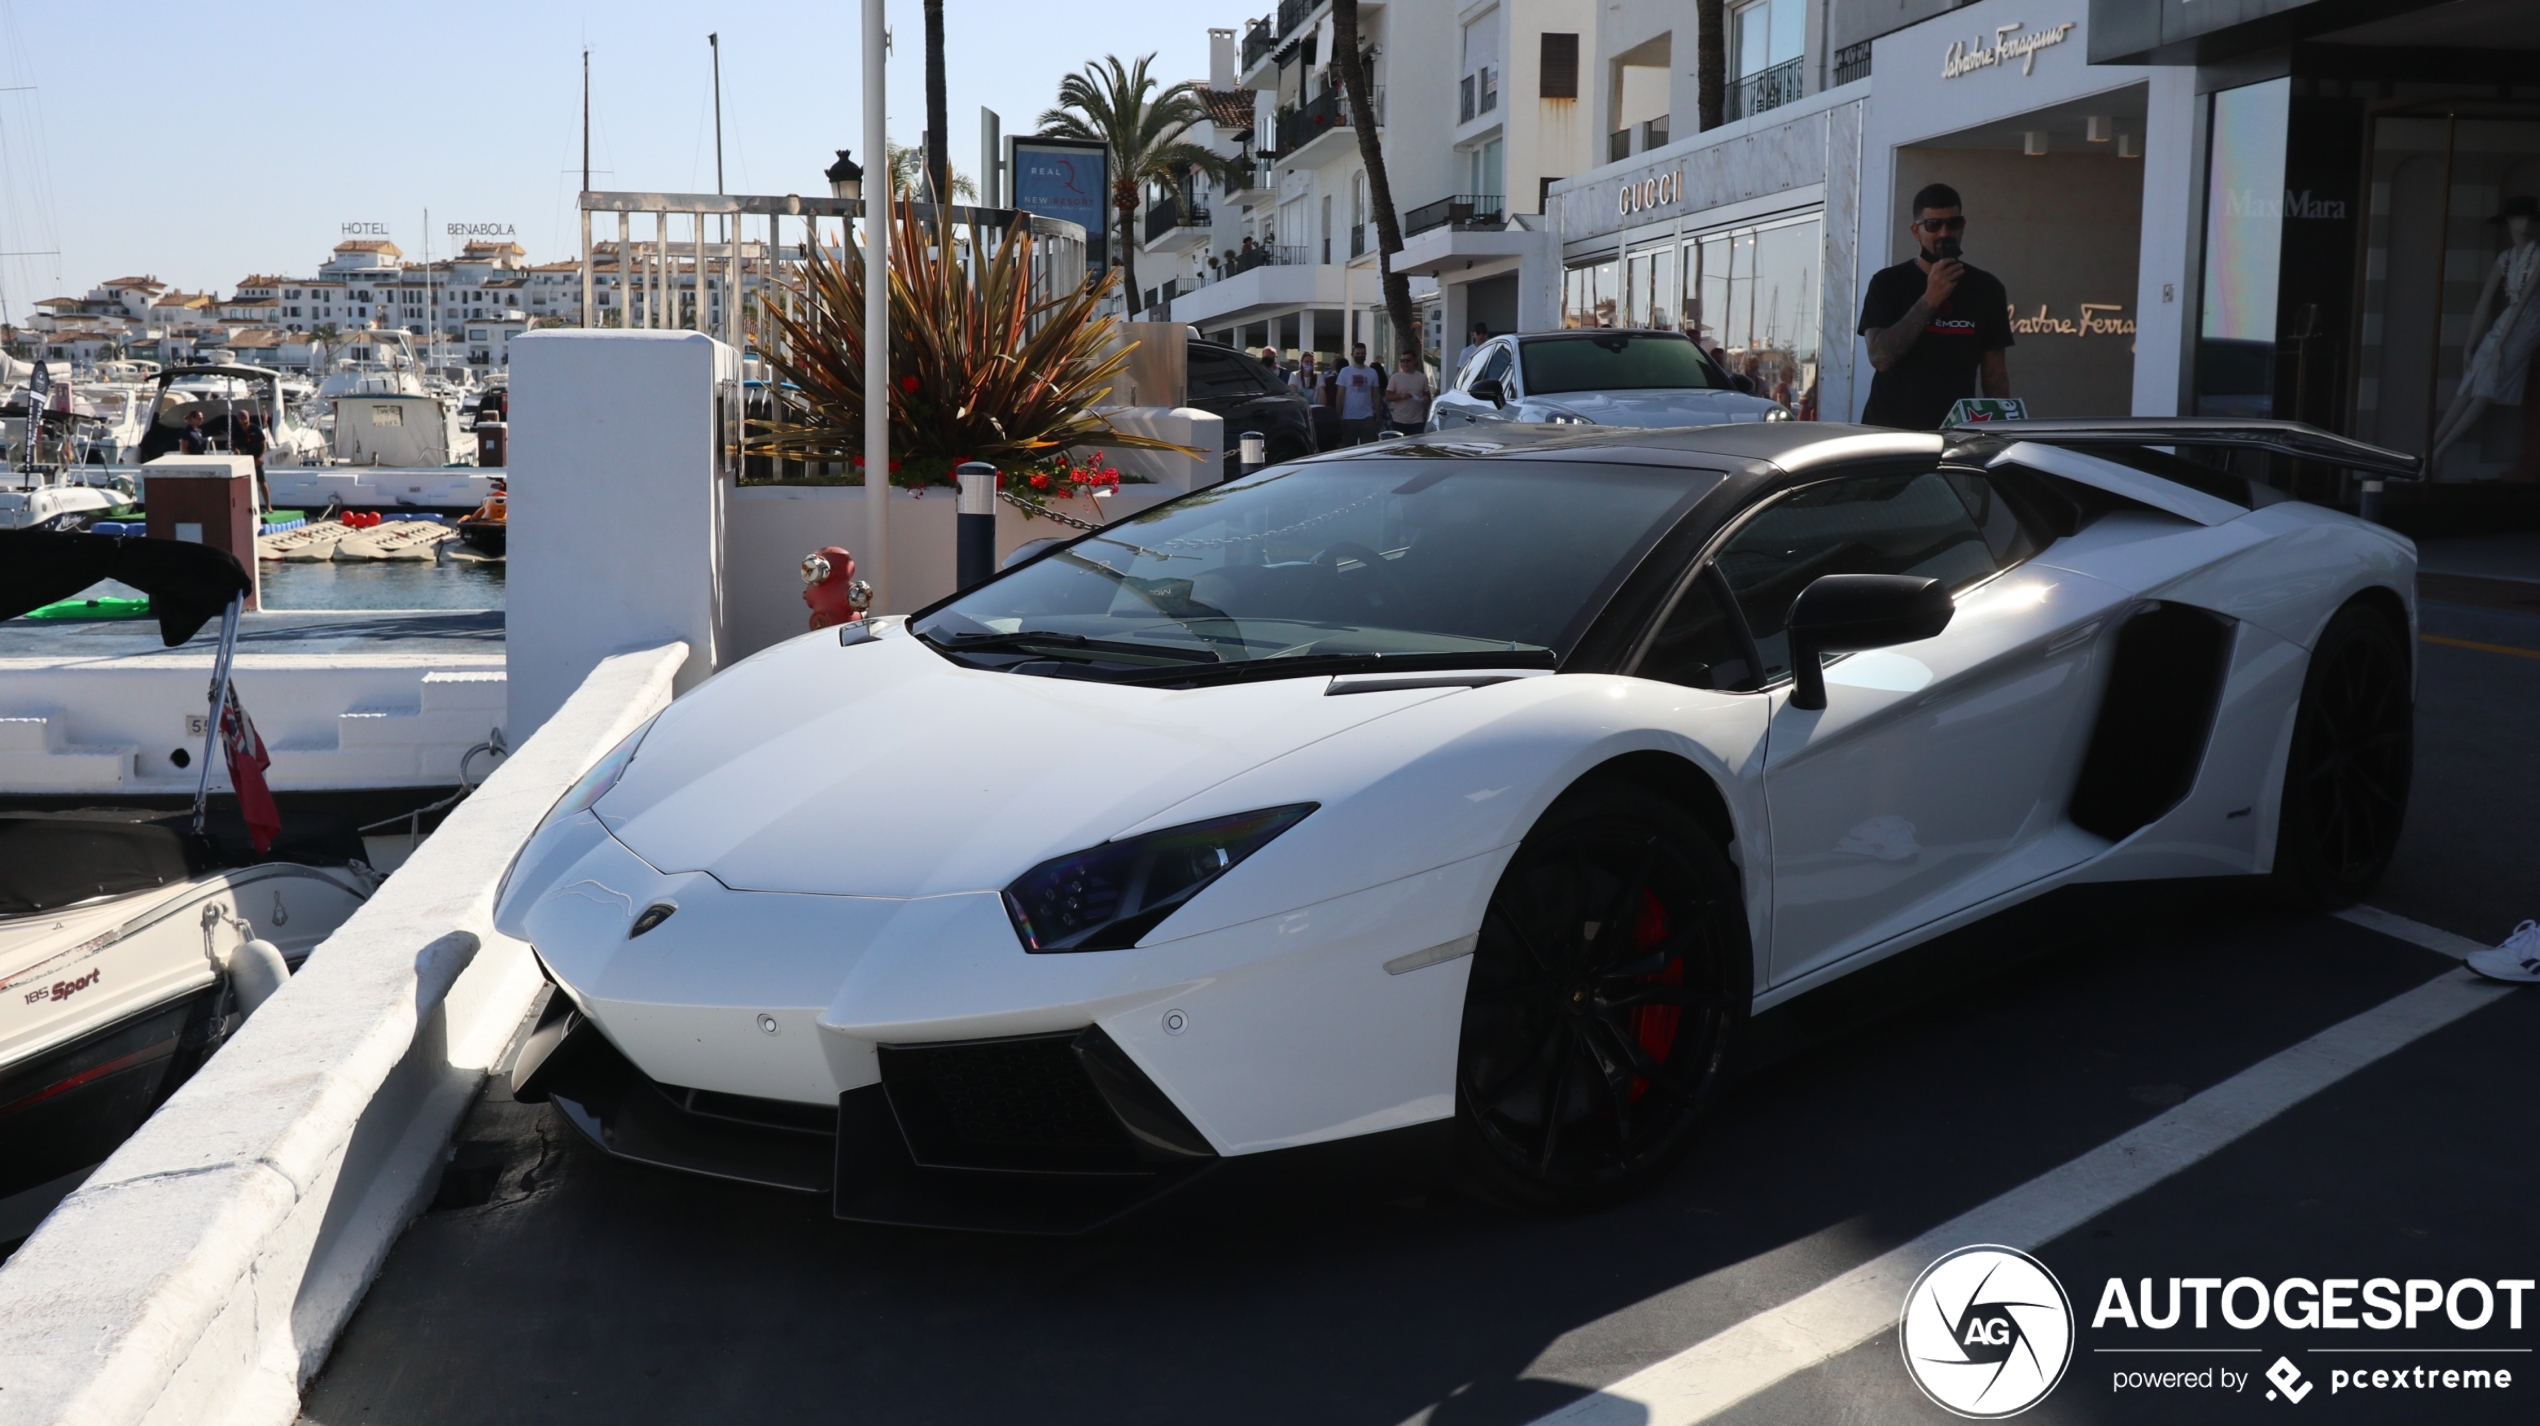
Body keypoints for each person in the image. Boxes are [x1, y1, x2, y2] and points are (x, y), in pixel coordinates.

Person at [1857, 182, 2014, 429]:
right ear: (1915, 230)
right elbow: (1880, 357)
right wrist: (1930, 298)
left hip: (1955, 431)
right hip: (1889, 430)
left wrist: (2002, 429)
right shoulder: (1887, 283)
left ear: (1963, 225)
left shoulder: (1986, 288)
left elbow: (1994, 374)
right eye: (1933, 225)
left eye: (1952, 223)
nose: (1944, 233)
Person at [1332, 342, 1384, 445]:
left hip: (1367, 416)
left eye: (1362, 353)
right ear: (1352, 354)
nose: (1360, 356)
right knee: (1349, 449)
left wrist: (1378, 415)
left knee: (1368, 449)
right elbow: (1340, 395)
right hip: (1349, 417)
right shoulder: (1345, 372)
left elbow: (1376, 395)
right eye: (1358, 353)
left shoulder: (1372, 372)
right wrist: (1338, 414)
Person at [1385, 351, 1434, 433]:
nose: (1405, 363)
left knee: (1416, 445)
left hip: (1417, 421)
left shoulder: (1422, 378)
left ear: (1414, 361)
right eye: (1402, 361)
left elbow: (1427, 397)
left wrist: (1425, 399)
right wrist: (1400, 396)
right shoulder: (1395, 377)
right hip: (1399, 420)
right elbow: (1388, 397)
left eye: (1408, 360)